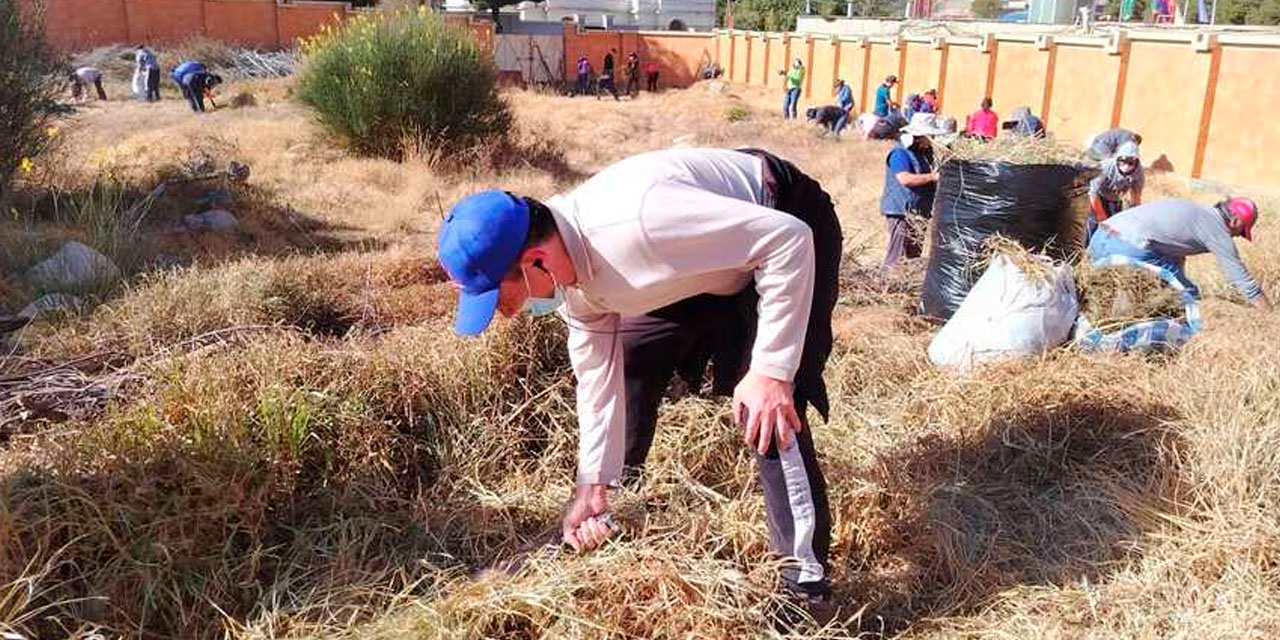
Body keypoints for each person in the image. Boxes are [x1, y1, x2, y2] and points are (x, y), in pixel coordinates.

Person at [438, 147, 842, 615]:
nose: (506, 316)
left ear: (536, 261)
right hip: (708, 264)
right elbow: (597, 377)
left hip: (783, 221)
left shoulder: (638, 226)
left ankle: (804, 584)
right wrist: (591, 485)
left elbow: (788, 239)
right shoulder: (573, 274)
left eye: (501, 300)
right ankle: (613, 498)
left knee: (765, 405)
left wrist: (771, 370)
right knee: (632, 354)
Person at [1089, 198, 1271, 310]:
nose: (1236, 237)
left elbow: (1173, 254)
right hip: (1125, 248)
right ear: (1235, 222)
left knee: (1173, 283)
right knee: (1190, 297)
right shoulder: (1218, 231)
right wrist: (1268, 316)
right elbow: (1241, 280)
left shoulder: (1196, 211)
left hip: (1098, 240)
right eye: (1240, 232)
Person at [881, 113, 949, 270]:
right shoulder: (900, 153)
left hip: (919, 213)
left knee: (912, 258)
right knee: (896, 257)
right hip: (902, 212)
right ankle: (886, 286)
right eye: (929, 136)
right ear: (919, 135)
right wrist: (933, 177)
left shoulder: (925, 154)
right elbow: (905, 179)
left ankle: (903, 288)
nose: (932, 140)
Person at [1087, 140, 1144, 239]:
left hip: (1115, 198)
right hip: (1098, 196)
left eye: (1131, 163)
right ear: (1118, 159)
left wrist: (1134, 214)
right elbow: (1092, 193)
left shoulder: (1139, 172)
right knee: (1095, 222)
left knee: (1114, 225)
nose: (1126, 165)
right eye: (1123, 161)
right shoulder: (1105, 167)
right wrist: (1101, 216)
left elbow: (1136, 195)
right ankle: (1087, 246)